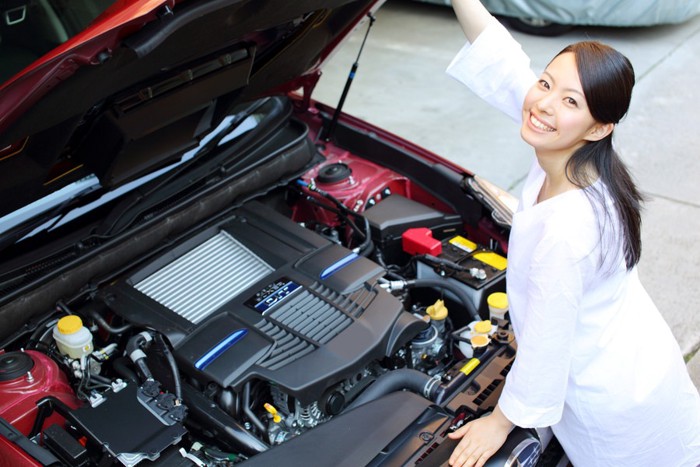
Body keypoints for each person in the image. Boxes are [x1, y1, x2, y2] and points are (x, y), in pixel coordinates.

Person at [443, 1, 700, 466]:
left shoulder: (567, 230)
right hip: (638, 360)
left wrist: (498, 423)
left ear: (600, 126)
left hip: (614, 407)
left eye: (570, 101)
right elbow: (502, 62)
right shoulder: (574, 157)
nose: (543, 104)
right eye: (546, 83)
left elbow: (544, 353)